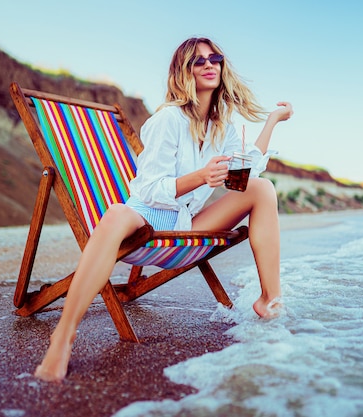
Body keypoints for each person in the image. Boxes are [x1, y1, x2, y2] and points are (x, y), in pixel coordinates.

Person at [34, 37, 293, 382]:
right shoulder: (168, 120)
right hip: (147, 217)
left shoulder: (223, 129)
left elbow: (248, 173)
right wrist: (200, 176)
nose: (209, 64)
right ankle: (63, 338)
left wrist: (273, 120)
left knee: (262, 189)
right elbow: (147, 190)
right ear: (183, 72)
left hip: (184, 225)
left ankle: (269, 301)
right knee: (114, 215)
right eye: (198, 61)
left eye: (214, 58)